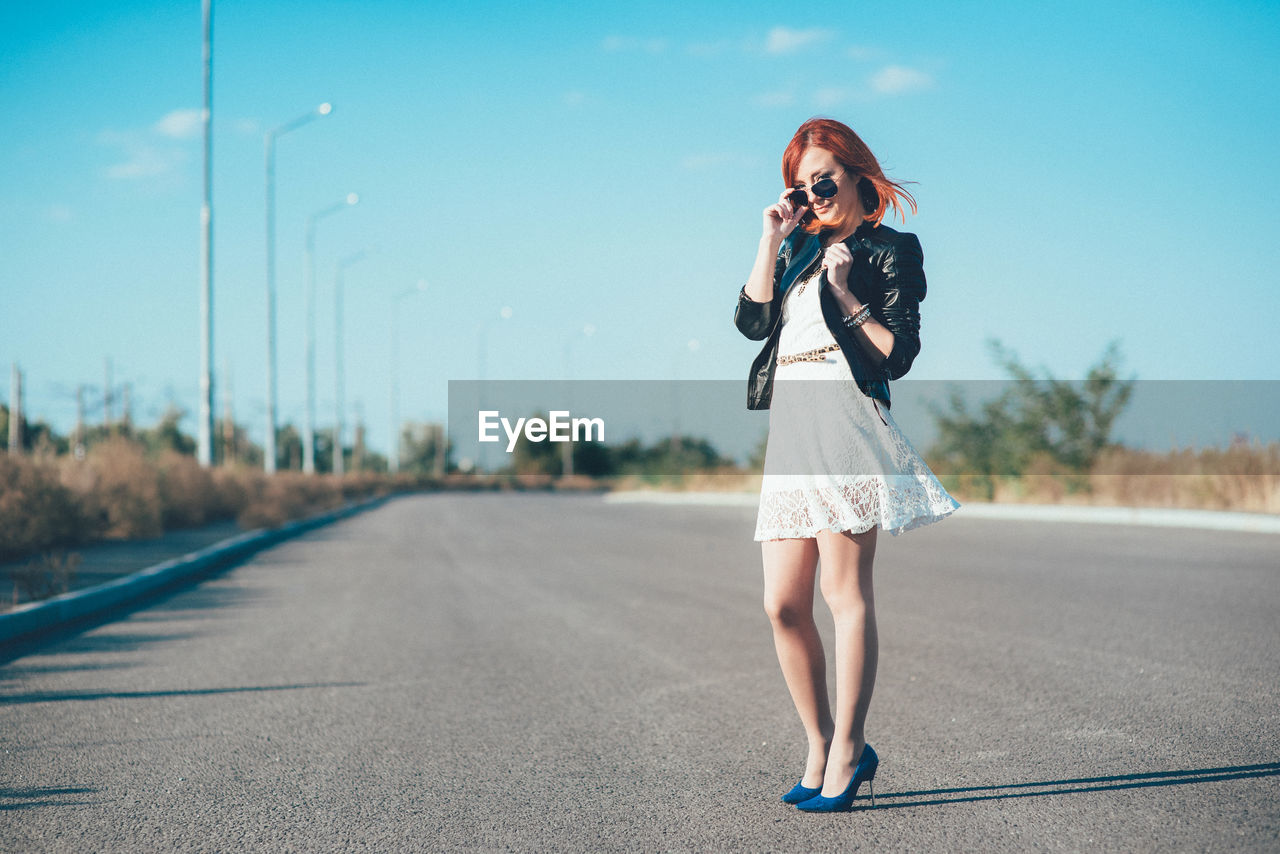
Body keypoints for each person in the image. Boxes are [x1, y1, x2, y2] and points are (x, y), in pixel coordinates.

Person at [733, 117, 960, 812]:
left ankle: (847, 750)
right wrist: (773, 234)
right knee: (781, 605)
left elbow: (896, 356)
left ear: (859, 176)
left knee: (843, 595)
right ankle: (821, 740)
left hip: (847, 423)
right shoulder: (796, 248)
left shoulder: (889, 248)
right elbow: (750, 323)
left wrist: (847, 295)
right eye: (800, 185)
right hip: (793, 433)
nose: (813, 193)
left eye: (822, 179)